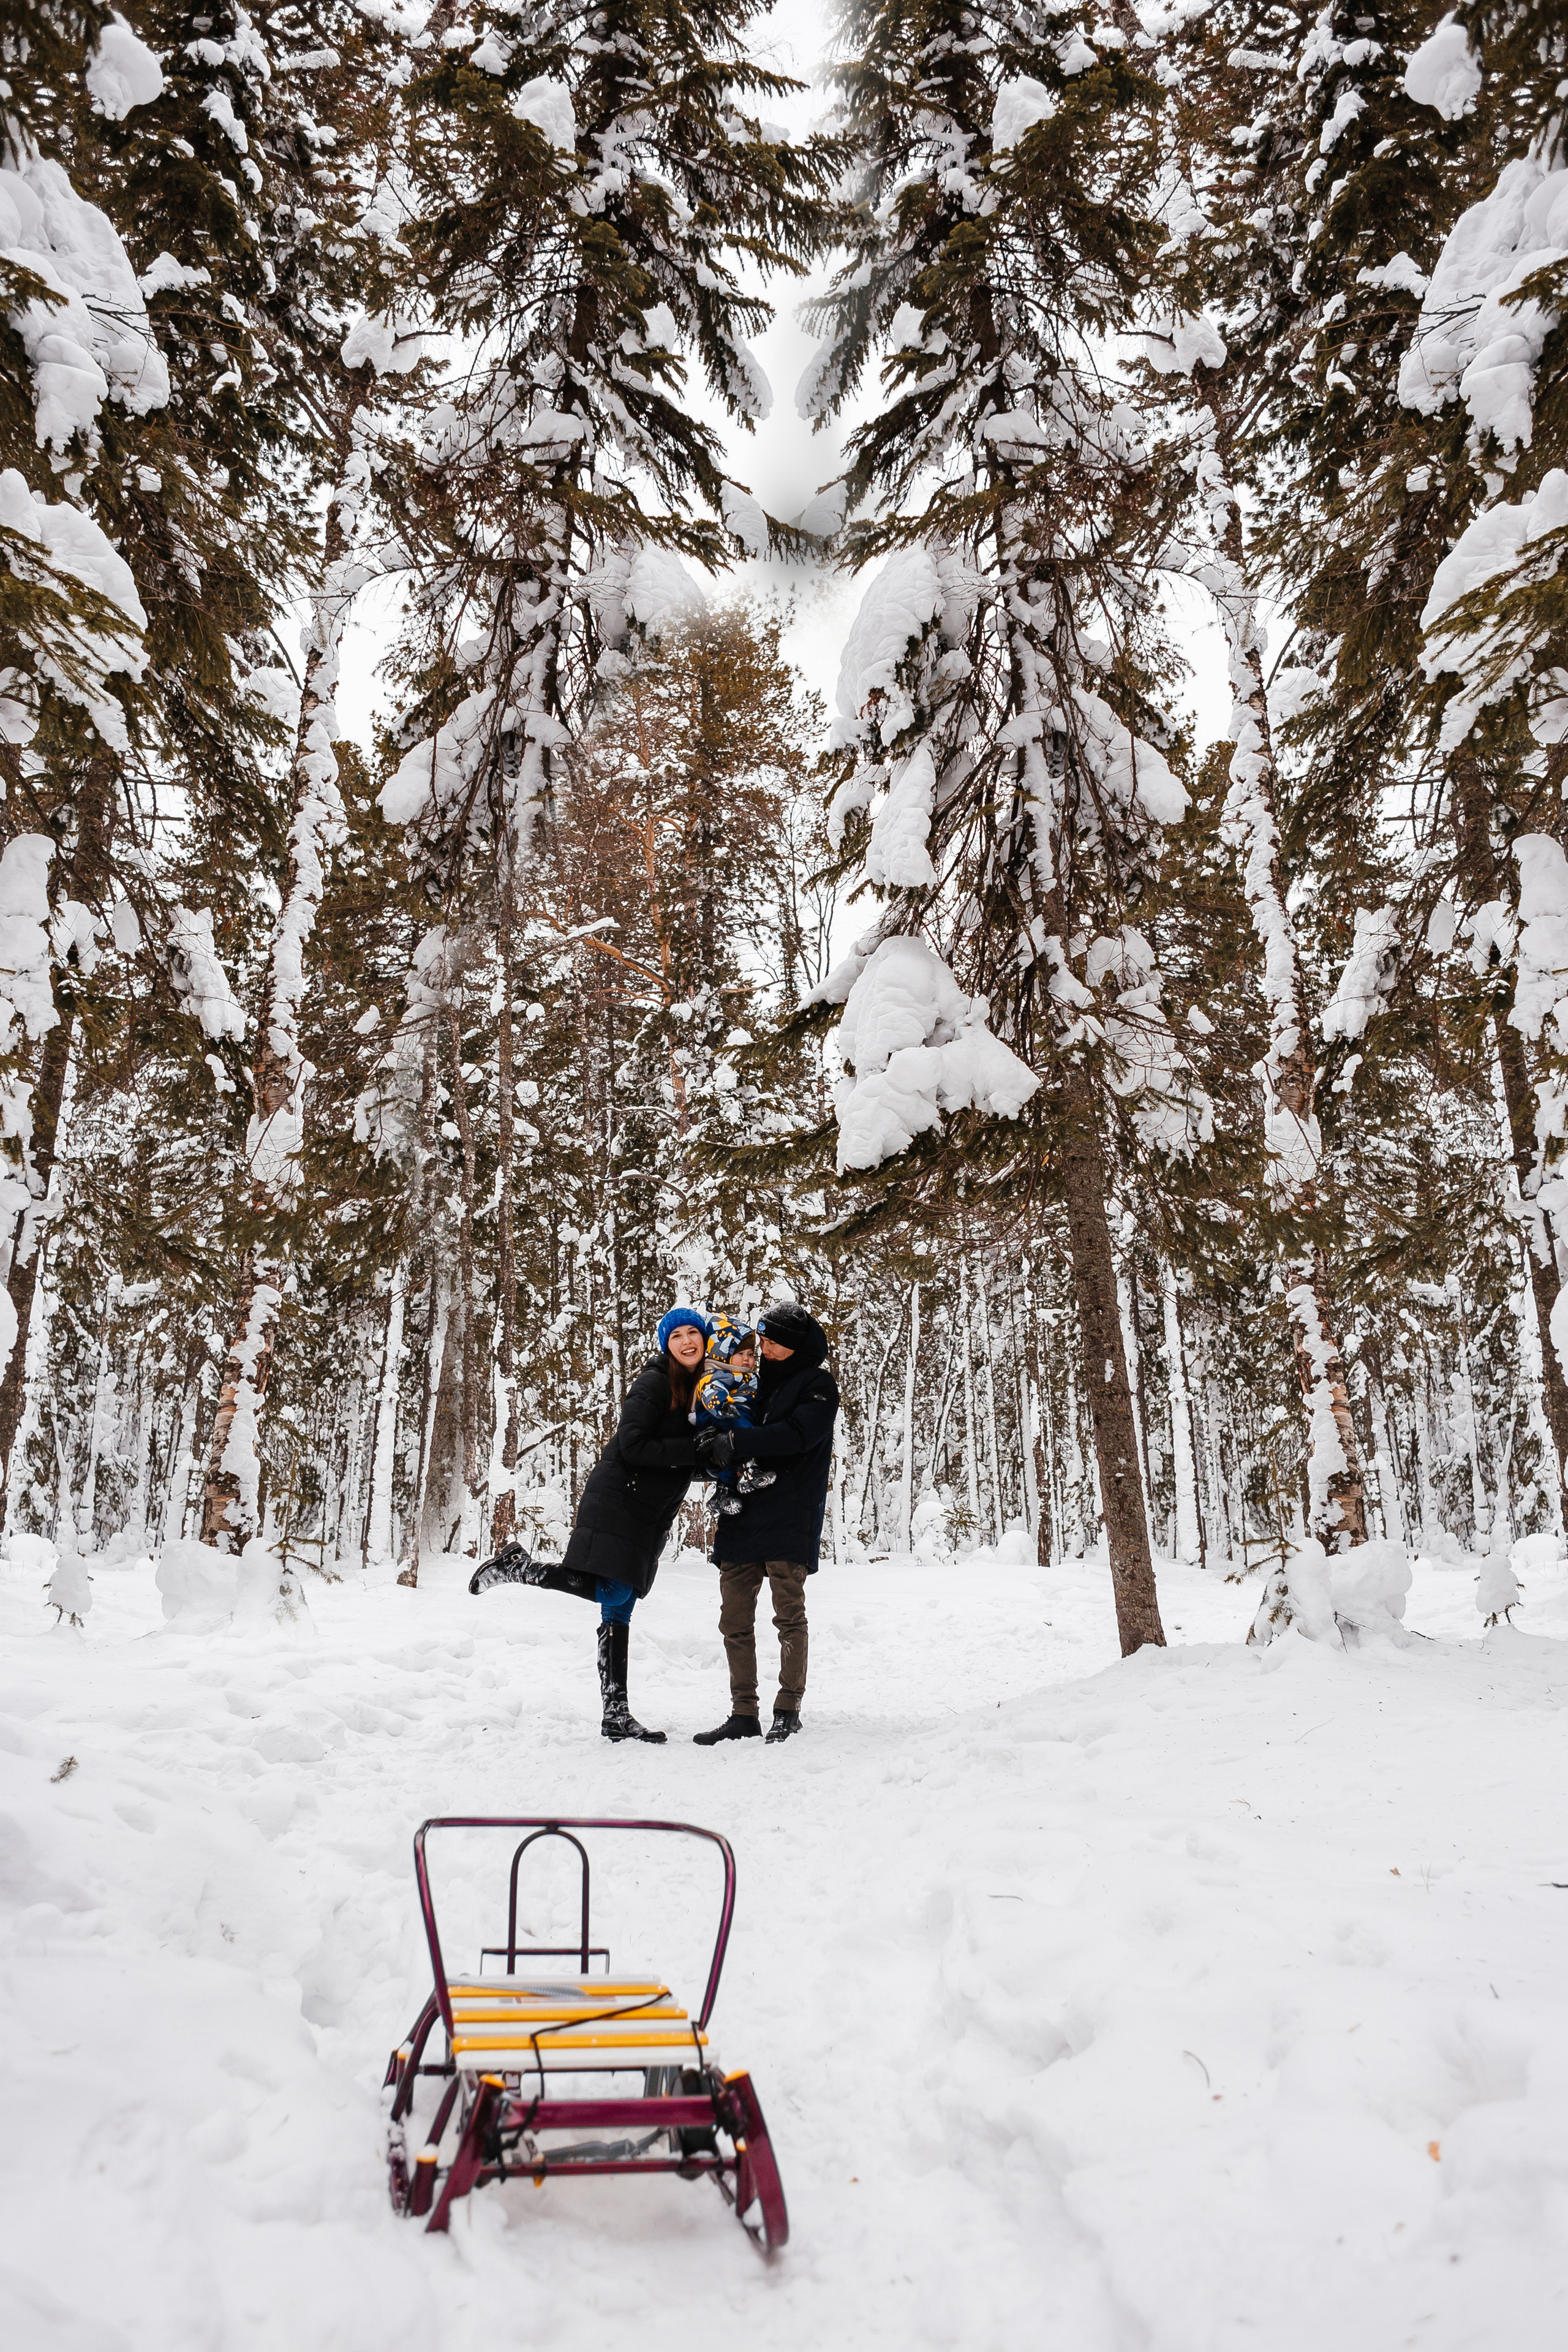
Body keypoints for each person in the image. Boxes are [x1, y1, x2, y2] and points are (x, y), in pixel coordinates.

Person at [469, 1306, 708, 1741]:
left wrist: (718, 1456)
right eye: (677, 1336)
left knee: (621, 1604)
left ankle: (615, 1714)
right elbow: (635, 1445)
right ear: (666, 1345)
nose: (687, 1341)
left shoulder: (700, 1389)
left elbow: (681, 1457)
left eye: (694, 1332)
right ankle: (519, 1568)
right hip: (621, 1497)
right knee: (615, 1590)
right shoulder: (654, 1382)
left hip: (649, 1508)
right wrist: (697, 1450)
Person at [691, 1298, 839, 1747]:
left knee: (788, 1616)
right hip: (742, 1514)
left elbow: (797, 1436)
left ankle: (788, 1709)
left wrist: (735, 1441)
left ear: (794, 1345)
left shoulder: (818, 1385)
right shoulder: (753, 1381)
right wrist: (710, 1449)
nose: (764, 1349)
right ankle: (743, 1712)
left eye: (773, 1342)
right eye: (762, 1341)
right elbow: (723, 1420)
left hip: (790, 1513)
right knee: (733, 1620)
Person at [692, 1319, 775, 1517]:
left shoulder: (748, 1376)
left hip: (738, 1414)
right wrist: (721, 1404)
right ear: (724, 1354)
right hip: (721, 1415)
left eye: (751, 1355)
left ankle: (724, 1492)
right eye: (740, 1354)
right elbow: (711, 1389)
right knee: (743, 1435)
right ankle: (749, 1470)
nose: (747, 1360)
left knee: (728, 1456)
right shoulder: (719, 1373)